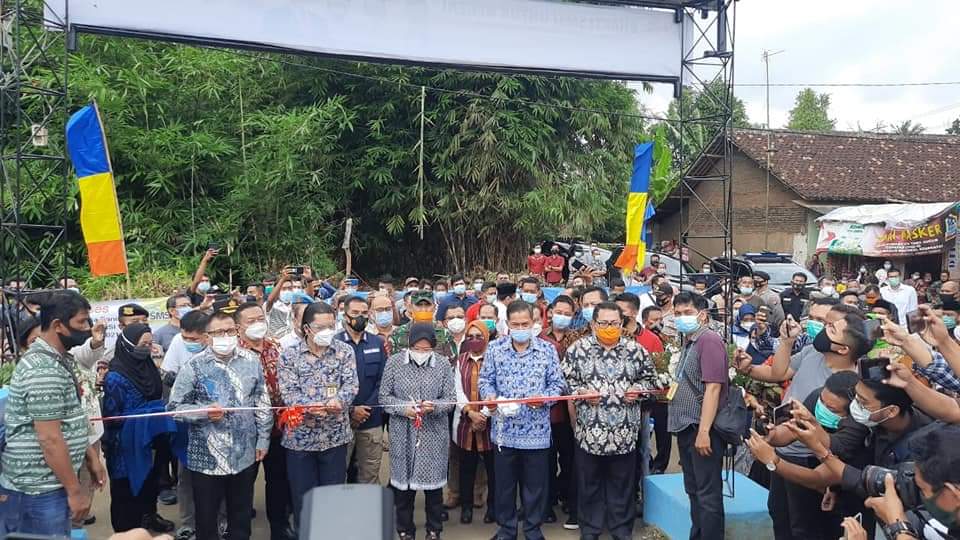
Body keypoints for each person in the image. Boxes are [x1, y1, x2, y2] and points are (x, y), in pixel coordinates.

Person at [0, 291, 106, 537]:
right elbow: (49, 438)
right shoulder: (43, 370)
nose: (87, 328)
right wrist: (74, 490)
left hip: (49, 484)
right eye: (81, 322)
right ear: (58, 325)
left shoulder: (59, 359)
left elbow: (69, 419)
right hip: (39, 490)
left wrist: (91, 456)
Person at [167, 311, 272, 540]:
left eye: (230, 331)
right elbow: (174, 407)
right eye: (218, 332)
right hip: (207, 457)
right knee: (206, 519)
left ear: (237, 331)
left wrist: (263, 439)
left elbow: (262, 403)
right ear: (207, 337)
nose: (225, 336)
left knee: (241, 517)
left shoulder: (251, 361)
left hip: (243, 453)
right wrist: (203, 412)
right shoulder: (193, 366)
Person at [563, 302, 657, 540]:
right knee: (588, 485)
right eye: (603, 323)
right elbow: (565, 382)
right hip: (589, 433)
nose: (609, 327)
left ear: (621, 323)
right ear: (593, 324)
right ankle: (590, 530)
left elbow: (651, 381)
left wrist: (639, 389)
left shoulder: (635, 350)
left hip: (624, 433)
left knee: (622, 485)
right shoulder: (577, 349)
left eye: (614, 323)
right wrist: (581, 392)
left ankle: (621, 530)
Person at [479, 301, 566, 540]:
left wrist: (544, 399)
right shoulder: (495, 348)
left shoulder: (547, 350)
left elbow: (557, 384)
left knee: (535, 485)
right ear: (507, 324)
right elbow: (485, 380)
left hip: (536, 431)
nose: (520, 328)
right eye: (515, 324)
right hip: (504, 432)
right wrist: (490, 396)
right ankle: (507, 529)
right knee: (504, 485)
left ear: (534, 323)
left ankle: (532, 529)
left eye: (524, 324)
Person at [276, 302, 358, 527]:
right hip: (300, 440)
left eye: (331, 326)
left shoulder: (344, 351)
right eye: (321, 327)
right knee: (303, 499)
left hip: (335, 437)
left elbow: (351, 385)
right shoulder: (289, 355)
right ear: (306, 329)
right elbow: (288, 392)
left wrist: (339, 401)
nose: (327, 332)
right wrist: (311, 407)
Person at [380, 324, 456, 540]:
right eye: (417, 348)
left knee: (434, 490)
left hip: (433, 433)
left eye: (426, 349)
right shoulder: (395, 363)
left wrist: (434, 406)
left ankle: (434, 529)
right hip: (403, 433)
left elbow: (450, 399)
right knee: (403, 490)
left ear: (433, 347)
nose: (421, 353)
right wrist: (404, 409)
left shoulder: (442, 364)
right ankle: (405, 529)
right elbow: (384, 397)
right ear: (409, 345)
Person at [101, 324, 175, 533]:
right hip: (126, 445)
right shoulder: (115, 377)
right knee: (126, 489)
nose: (148, 348)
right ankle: (127, 530)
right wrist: (143, 415)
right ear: (128, 344)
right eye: (143, 344)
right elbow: (112, 416)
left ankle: (149, 517)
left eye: (150, 344)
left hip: (151, 439)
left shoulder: (148, 366)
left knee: (149, 483)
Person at [667, 292, 729, 540]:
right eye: (678, 314)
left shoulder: (709, 340)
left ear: (702, 315)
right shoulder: (690, 341)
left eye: (687, 313)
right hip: (687, 427)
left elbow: (713, 387)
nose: (682, 318)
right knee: (694, 490)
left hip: (701, 429)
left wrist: (704, 432)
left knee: (707, 494)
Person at [235, 302, 294, 540]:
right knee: (242, 485)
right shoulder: (233, 353)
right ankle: (238, 532)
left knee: (278, 481)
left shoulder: (276, 347)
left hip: (279, 429)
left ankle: (279, 528)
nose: (258, 324)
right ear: (238, 327)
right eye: (251, 321)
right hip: (247, 432)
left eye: (260, 319)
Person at [334, 296, 388, 486]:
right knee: (337, 474)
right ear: (345, 315)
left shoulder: (376, 343)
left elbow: (383, 380)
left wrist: (366, 409)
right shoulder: (333, 344)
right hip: (341, 421)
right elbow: (330, 383)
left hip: (371, 420)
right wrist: (351, 410)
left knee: (370, 474)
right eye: (355, 313)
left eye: (364, 313)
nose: (360, 317)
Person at [540, 295, 579, 530]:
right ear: (551, 312)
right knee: (545, 460)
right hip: (545, 412)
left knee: (569, 458)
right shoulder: (539, 337)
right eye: (559, 311)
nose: (562, 316)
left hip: (570, 412)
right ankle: (547, 501)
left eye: (568, 313)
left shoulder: (578, 339)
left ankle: (567, 496)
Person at [453, 321, 497, 525]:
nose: (474, 340)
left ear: (486, 337)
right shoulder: (461, 360)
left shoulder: (495, 358)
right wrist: (471, 413)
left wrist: (484, 415)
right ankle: (467, 507)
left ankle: (493, 508)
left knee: (493, 470)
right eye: (470, 337)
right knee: (466, 469)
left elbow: (498, 387)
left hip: (491, 421)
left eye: (479, 336)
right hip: (466, 422)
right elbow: (457, 391)